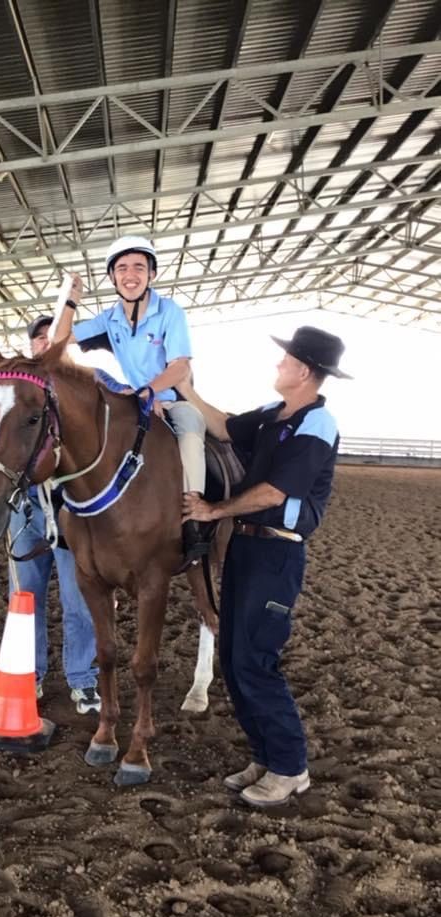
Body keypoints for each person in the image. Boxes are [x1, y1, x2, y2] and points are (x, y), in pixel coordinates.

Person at [180, 326, 352, 807]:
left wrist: (215, 511)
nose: (278, 367)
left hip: (276, 552)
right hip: (248, 548)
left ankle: (290, 767)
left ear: (303, 370)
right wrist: (185, 387)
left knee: (255, 660)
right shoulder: (274, 417)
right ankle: (264, 755)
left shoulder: (317, 424)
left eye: (285, 361)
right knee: (235, 659)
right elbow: (222, 425)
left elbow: (278, 491)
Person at [54, 236, 212, 564]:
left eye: (139, 267)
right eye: (122, 268)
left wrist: (151, 391)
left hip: (170, 397)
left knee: (190, 435)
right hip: (135, 399)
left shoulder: (170, 311)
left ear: (151, 274)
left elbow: (180, 365)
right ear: (112, 277)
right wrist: (70, 301)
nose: (131, 274)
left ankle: (194, 518)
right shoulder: (108, 318)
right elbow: (59, 340)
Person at [9, 314, 101, 714]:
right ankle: (29, 674)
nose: (44, 344)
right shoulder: (14, 385)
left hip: (71, 506)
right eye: (39, 339)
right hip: (26, 503)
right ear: (31, 346)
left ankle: (82, 678)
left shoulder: (85, 386)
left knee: (77, 596)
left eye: (52, 338)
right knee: (25, 595)